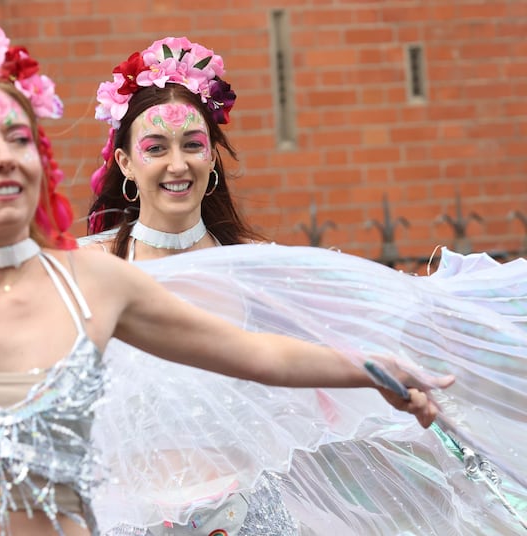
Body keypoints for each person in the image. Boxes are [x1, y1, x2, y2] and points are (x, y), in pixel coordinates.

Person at [0, 17, 449, 536]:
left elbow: (260, 354)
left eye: (20, 138)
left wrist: (369, 365)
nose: (4, 155)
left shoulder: (92, 284)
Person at [83, 37, 527, 534]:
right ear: (125, 163)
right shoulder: (87, 270)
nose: (177, 163)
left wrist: (395, 359)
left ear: (212, 160)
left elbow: (351, 328)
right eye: (155, 148)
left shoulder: (254, 268)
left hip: (246, 519)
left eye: (192, 145)